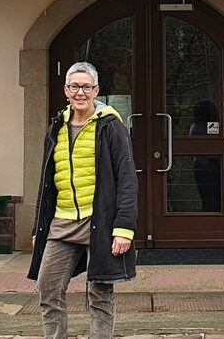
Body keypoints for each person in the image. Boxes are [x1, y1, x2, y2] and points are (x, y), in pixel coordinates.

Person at [27, 62, 138, 339]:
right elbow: (46, 183)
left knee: (99, 292)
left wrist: (124, 228)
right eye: (74, 86)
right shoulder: (57, 128)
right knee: (47, 288)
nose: (80, 92)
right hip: (62, 222)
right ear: (66, 90)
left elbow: (127, 178)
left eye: (86, 87)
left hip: (98, 221)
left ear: (96, 90)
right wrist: (37, 228)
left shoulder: (111, 126)